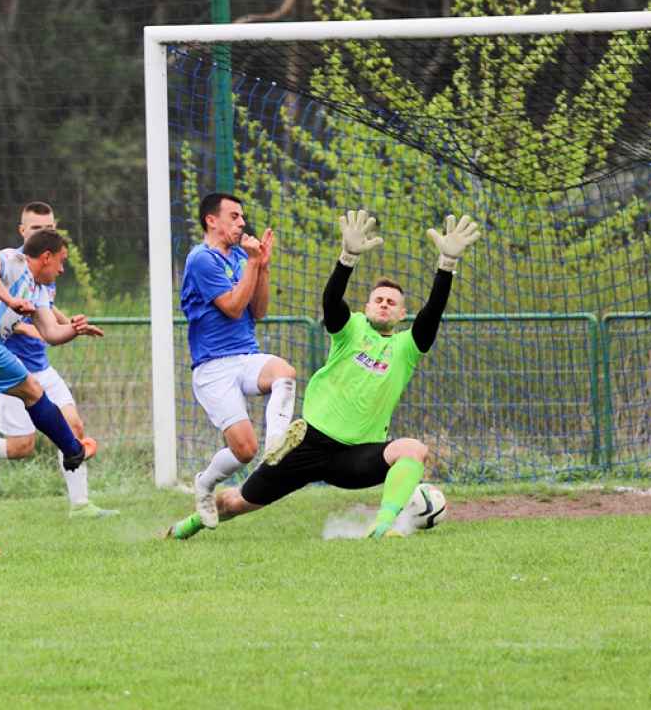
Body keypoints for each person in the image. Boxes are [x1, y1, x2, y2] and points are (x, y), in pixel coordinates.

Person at [166, 210, 481, 540]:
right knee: (236, 502)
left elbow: (432, 314)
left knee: (413, 449)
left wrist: (446, 264)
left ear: (402, 314)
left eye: (392, 302)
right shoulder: (351, 330)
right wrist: (347, 258)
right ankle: (183, 528)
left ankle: (383, 527)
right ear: (367, 306)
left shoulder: (407, 347)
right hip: (306, 444)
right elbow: (332, 300)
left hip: (355, 456)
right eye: (379, 300)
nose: (385, 304)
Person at [0, 201, 116, 520]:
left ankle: (80, 504)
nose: (45, 233)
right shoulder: (12, 261)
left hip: (39, 366)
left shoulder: (45, 275)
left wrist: (72, 329)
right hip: (1, 362)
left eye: (50, 229)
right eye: (37, 229)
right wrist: (16, 313)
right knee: (21, 447)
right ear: (24, 232)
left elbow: (47, 325)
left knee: (73, 425)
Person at [180, 192, 300, 530]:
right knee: (244, 449)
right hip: (212, 368)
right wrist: (252, 263)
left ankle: (276, 446)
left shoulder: (238, 257)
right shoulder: (201, 259)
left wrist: (262, 266)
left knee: (284, 372)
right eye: (234, 216)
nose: (242, 223)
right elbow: (232, 307)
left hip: (245, 357)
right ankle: (204, 483)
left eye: (242, 217)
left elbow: (258, 310)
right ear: (211, 220)